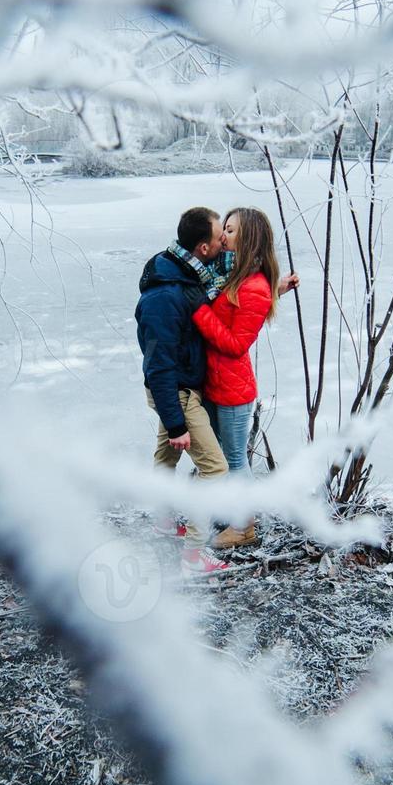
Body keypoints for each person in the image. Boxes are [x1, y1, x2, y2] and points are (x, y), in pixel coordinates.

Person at [191, 206, 299, 549]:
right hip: (216, 384)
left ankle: (243, 526)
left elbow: (237, 343)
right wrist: (276, 290)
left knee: (235, 461)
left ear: (249, 238)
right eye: (224, 228)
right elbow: (238, 308)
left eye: (232, 230)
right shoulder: (233, 275)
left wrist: (198, 311)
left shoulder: (251, 285)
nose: (223, 235)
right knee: (220, 457)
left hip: (233, 392)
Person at [135, 207, 231, 560]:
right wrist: (176, 422)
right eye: (220, 236)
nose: (224, 240)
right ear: (203, 248)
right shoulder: (165, 297)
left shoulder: (185, 275)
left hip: (174, 387)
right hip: (176, 390)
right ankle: (194, 554)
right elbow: (158, 364)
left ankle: (162, 520)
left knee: (165, 456)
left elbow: (213, 295)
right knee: (215, 469)